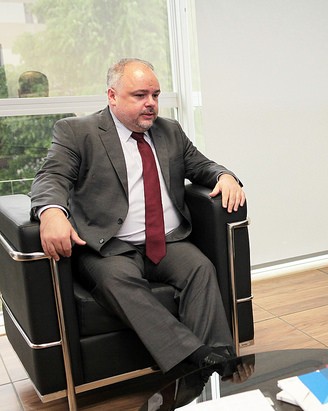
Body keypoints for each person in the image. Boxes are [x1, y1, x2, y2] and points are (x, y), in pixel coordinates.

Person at [30, 58, 246, 374]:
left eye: (155, 95)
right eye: (140, 95)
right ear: (112, 96)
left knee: (200, 268)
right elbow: (52, 176)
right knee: (117, 280)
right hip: (107, 246)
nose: (151, 104)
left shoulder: (169, 131)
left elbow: (202, 166)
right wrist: (51, 212)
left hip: (168, 242)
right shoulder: (77, 132)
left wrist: (224, 175)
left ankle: (219, 359)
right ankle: (195, 357)